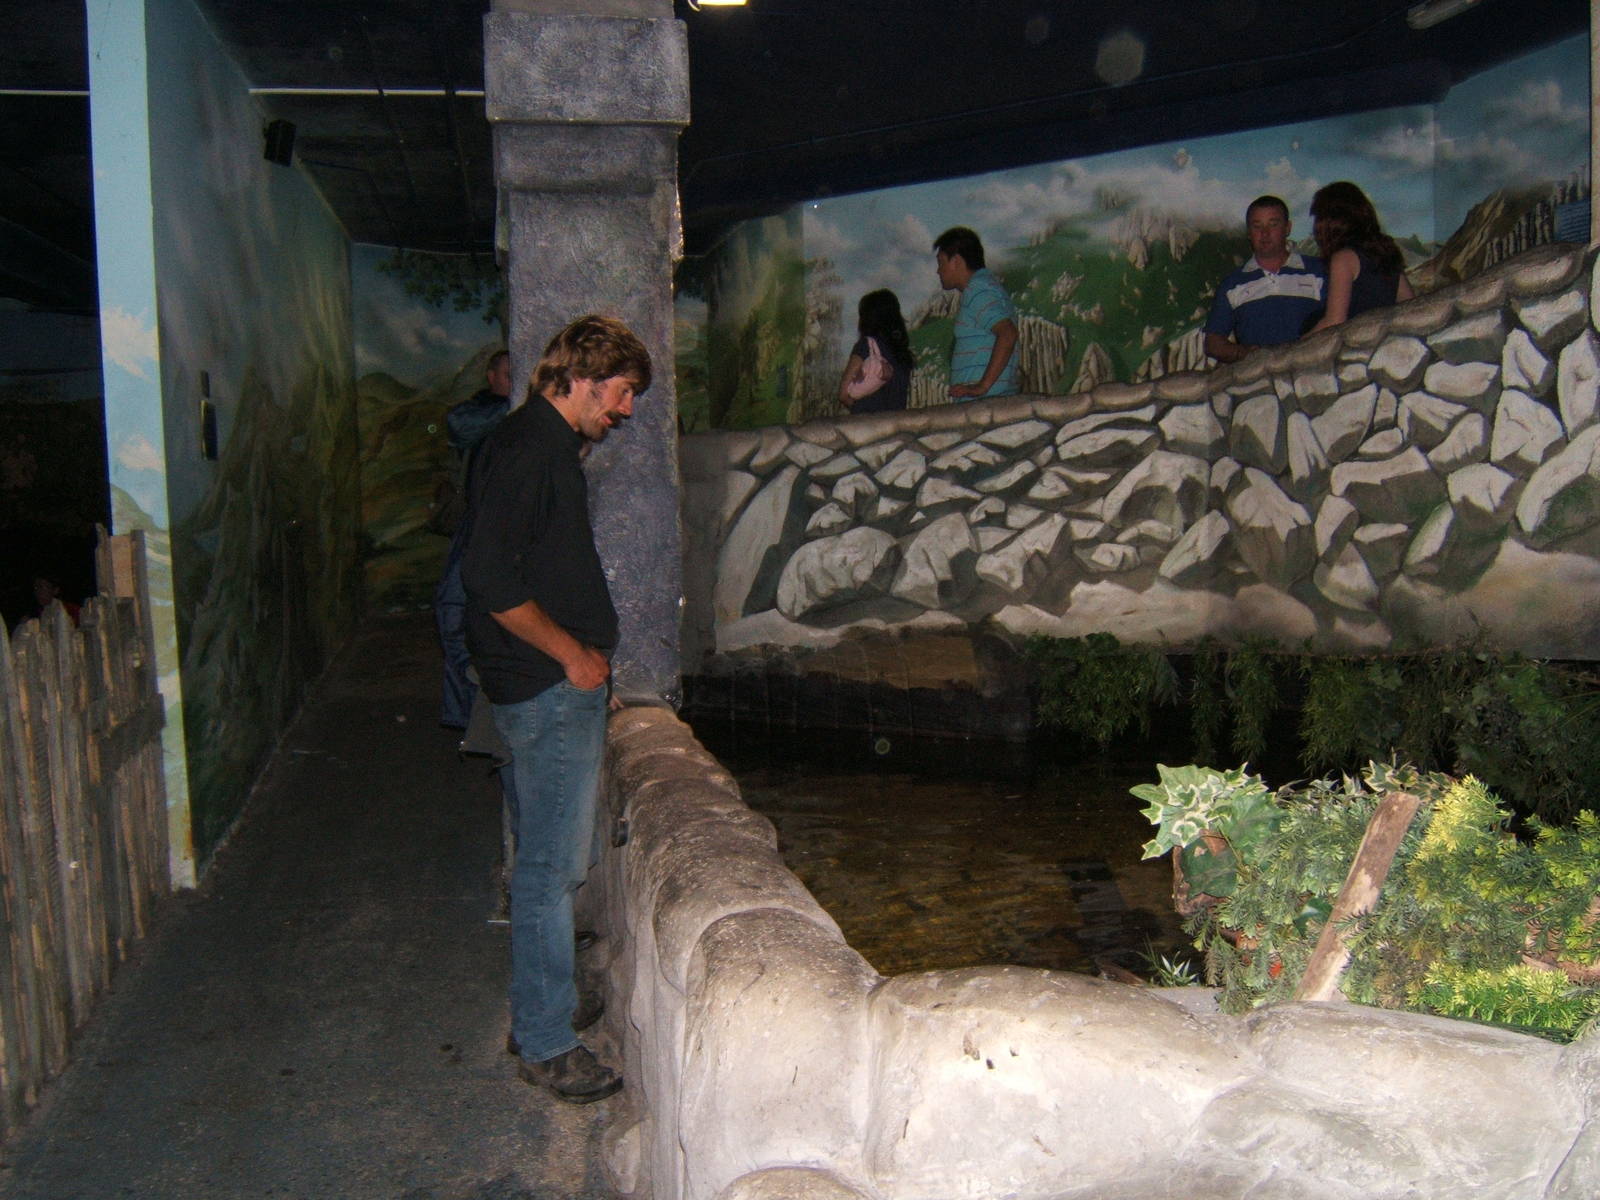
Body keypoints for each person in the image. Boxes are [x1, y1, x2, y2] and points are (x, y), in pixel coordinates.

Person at [461, 314, 649, 1105]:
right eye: (623, 392)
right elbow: (490, 580)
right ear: (582, 375)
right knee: (550, 869)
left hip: (530, 684)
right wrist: (573, 656)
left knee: (546, 860)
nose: (627, 410)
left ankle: (549, 1002)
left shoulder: (525, 444)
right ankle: (544, 1039)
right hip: (546, 689)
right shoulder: (533, 452)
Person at [435, 349, 512, 730]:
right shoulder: (480, 411)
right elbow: (459, 426)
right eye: (508, 375)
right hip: (476, 526)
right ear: (491, 376)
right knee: (453, 612)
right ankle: (465, 712)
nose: (514, 382)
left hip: (509, 529)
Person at [1202, 195, 1326, 364]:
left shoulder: (1318, 271)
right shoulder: (1232, 284)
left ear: (1287, 228)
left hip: (1313, 375)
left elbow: (1340, 320)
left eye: (1273, 224)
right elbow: (1213, 343)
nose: (1265, 233)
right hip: (1259, 384)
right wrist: (1245, 353)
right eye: (1257, 226)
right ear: (1248, 233)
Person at [1307, 181, 1415, 332]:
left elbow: (1334, 321)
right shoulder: (1385, 254)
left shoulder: (1343, 259)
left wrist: (1294, 350)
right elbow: (1409, 304)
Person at [933, 227, 1018, 400]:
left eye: (941, 262)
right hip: (991, 401)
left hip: (983, 403)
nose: (938, 271)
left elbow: (1008, 333)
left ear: (956, 261)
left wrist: (982, 387)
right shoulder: (988, 286)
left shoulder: (977, 290)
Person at [837, 288, 914, 413]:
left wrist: (859, 409)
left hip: (869, 426)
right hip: (897, 424)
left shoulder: (866, 346)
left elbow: (843, 394)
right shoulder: (902, 354)